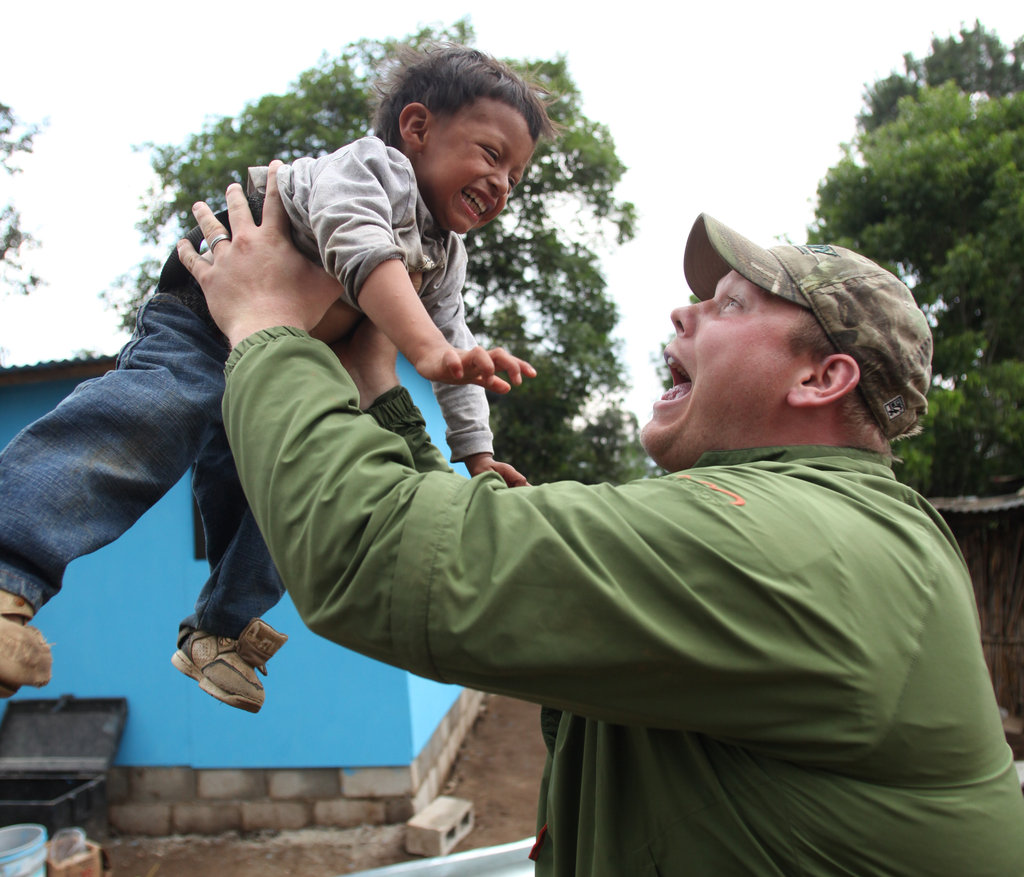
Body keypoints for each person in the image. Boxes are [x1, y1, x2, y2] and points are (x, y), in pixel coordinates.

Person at [178, 173, 1024, 875]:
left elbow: (377, 554)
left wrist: (265, 326)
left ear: (821, 378)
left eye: (730, 305)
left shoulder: (791, 543)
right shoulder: (833, 525)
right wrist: (381, 392)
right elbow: (473, 546)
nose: (684, 314)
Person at [0, 44, 552, 714]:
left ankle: (220, 632)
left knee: (292, 490)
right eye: (492, 155)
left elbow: (457, 344)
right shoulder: (368, 169)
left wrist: (478, 454)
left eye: (515, 176)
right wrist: (428, 351)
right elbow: (361, 248)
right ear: (416, 127)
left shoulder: (445, 252)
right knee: (152, 417)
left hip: (282, 358)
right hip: (205, 325)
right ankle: (10, 566)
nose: (502, 184)